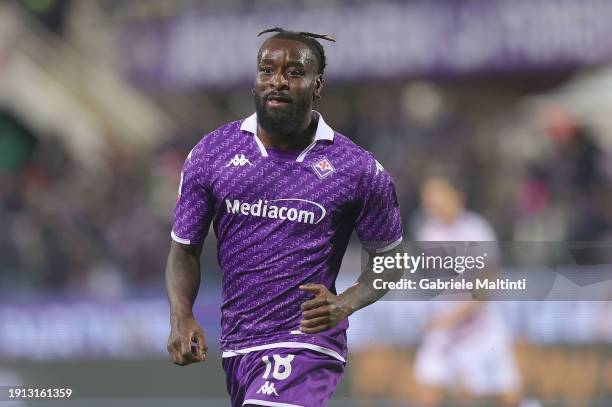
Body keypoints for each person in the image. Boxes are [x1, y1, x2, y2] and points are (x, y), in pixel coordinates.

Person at [165, 28, 403, 407]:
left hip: (307, 342)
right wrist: (182, 315)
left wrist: (348, 301)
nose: (277, 81)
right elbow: (184, 250)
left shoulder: (356, 169)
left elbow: (391, 260)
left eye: (293, 72)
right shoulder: (212, 153)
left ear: (317, 85)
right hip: (239, 346)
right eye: (266, 70)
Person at [412, 174, 523, 407]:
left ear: (457, 197)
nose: (433, 202)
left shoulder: (477, 230)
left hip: (479, 323)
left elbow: (485, 287)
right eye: (428, 197)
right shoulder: (427, 233)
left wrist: (453, 316)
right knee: (426, 389)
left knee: (508, 394)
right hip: (445, 325)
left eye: (438, 194)